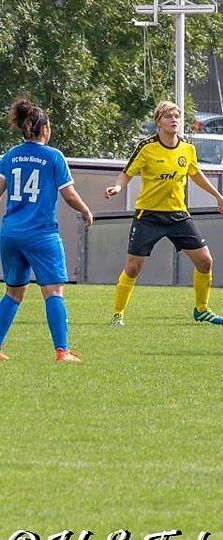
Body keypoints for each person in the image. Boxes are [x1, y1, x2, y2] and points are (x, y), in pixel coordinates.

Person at [105, 100, 223, 326]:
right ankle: (117, 314)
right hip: (149, 216)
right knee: (133, 267)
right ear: (158, 122)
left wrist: (218, 196)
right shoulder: (146, 147)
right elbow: (126, 173)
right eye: (169, 116)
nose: (174, 120)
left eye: (177, 116)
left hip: (178, 215)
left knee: (205, 261)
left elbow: (195, 174)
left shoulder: (187, 149)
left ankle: (202, 309)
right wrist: (117, 187)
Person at [0, 96, 94, 362]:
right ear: (44, 129)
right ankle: (62, 351)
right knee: (53, 291)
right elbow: (69, 195)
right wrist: (85, 210)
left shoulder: (10, 156)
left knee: (13, 293)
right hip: (41, 234)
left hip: (10, 234)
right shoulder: (53, 157)